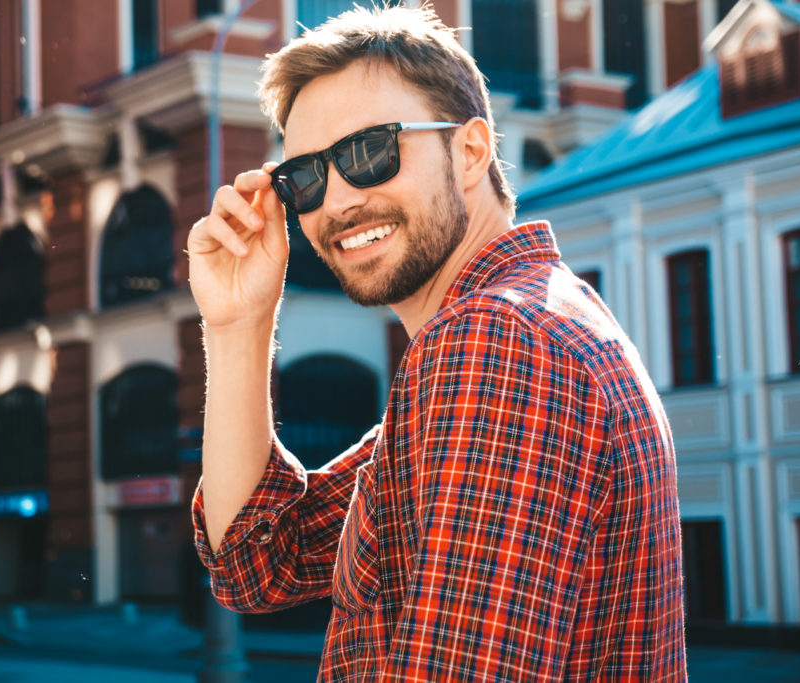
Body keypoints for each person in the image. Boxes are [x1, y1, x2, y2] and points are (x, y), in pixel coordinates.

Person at [186, 6, 686, 681]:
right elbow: (256, 563)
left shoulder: (499, 343)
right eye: (304, 177)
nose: (336, 202)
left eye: (369, 152)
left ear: (472, 150)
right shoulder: (511, 328)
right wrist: (237, 323)